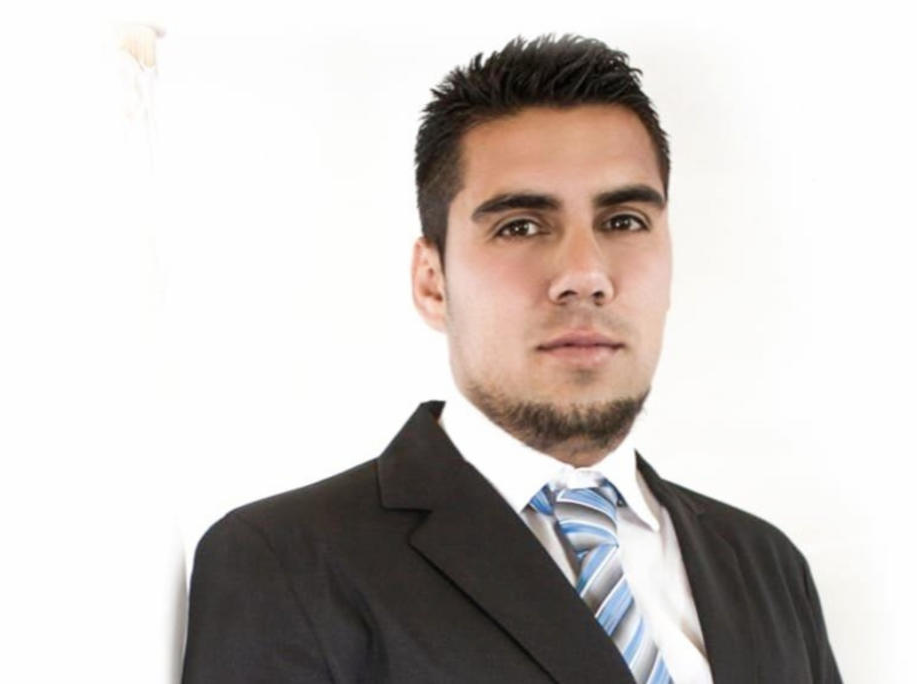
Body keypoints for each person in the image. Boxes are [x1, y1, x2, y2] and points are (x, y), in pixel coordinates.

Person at [180, 35, 842, 684]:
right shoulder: (287, 564)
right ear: (433, 282)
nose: (585, 275)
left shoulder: (766, 565)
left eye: (623, 221)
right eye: (520, 226)